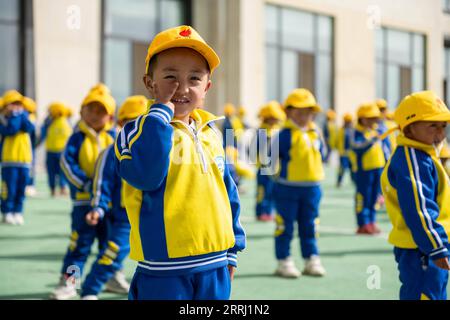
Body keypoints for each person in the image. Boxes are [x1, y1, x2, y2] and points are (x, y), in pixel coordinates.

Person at [115, 25, 246, 300]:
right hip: (164, 269)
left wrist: (233, 249)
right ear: (150, 83)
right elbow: (146, 175)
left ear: (207, 87)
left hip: (216, 264)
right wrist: (161, 113)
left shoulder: (212, 133)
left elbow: (227, 192)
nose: (182, 88)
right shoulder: (135, 132)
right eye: (170, 77)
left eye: (195, 78)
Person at [381, 90, 450, 300]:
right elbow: (419, 207)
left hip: (428, 242)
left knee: (435, 293)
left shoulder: (423, 153)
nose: (440, 133)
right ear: (409, 128)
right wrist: (436, 247)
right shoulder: (412, 159)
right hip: (422, 247)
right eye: (432, 125)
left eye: (443, 126)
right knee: (424, 294)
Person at [50, 86, 116, 300]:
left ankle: (112, 277)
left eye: (101, 111)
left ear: (110, 116)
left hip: (110, 204)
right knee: (80, 246)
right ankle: (70, 282)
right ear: (81, 112)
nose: (95, 115)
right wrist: (87, 185)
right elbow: (66, 164)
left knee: (110, 246)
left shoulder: (115, 137)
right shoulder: (76, 138)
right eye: (91, 110)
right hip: (83, 202)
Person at [80, 95, 148, 300]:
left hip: (153, 216)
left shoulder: (159, 151)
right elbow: (102, 183)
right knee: (112, 252)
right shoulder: (112, 151)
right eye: (131, 122)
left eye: (143, 122)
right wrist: (97, 207)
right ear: (121, 124)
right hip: (124, 217)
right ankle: (90, 290)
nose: (138, 128)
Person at [271, 88, 326, 278]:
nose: (305, 116)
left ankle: (311, 258)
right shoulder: (284, 134)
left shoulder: (315, 132)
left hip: (313, 188)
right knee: (285, 226)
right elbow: (270, 159)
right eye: (299, 111)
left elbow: (323, 154)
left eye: (309, 112)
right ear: (288, 112)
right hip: (288, 188)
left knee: (310, 225)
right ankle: (284, 260)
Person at [0, 90, 35, 226]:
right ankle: (7, 211)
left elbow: (29, 128)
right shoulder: (5, 119)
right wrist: (13, 115)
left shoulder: (24, 116)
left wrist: (21, 114)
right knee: (9, 188)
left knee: (21, 188)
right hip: (9, 160)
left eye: (18, 104)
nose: (16, 107)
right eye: (13, 104)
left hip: (24, 159)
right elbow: (11, 130)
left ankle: (18, 211)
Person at [254, 100, 285, 221]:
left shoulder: (278, 131)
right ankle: (260, 211)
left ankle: (269, 212)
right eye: (272, 118)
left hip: (275, 168)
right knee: (262, 191)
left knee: (272, 191)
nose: (274, 121)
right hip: (263, 168)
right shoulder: (262, 131)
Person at [39, 102, 72, 196]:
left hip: (60, 151)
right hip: (52, 150)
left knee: (58, 171)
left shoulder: (63, 122)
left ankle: (60, 187)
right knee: (54, 171)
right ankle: (55, 188)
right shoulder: (50, 122)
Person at [336, 112, 355, 187]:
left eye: (349, 121)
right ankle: (339, 181)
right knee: (342, 168)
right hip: (343, 153)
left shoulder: (353, 130)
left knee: (352, 168)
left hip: (351, 153)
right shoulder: (341, 130)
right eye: (347, 121)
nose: (349, 123)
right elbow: (338, 141)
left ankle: (353, 180)